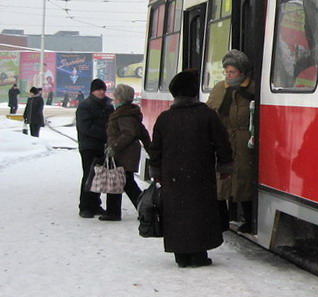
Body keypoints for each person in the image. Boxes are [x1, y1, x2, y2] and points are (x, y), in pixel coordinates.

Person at [148, 69, 233, 268]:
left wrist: (156, 171)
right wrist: (225, 165)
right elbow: (222, 142)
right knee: (199, 213)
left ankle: (181, 256)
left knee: (177, 214)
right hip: (200, 175)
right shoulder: (207, 115)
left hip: (173, 176)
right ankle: (198, 255)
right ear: (194, 93)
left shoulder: (165, 118)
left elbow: (155, 149)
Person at [206, 50, 257, 234]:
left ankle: (248, 219)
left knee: (243, 181)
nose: (228, 76)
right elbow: (210, 112)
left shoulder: (252, 90)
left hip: (244, 141)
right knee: (222, 181)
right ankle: (221, 220)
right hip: (224, 139)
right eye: (226, 72)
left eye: (232, 72)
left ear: (242, 73)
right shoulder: (220, 88)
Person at [102, 83, 150, 221]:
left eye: (116, 96)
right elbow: (142, 132)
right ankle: (113, 211)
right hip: (125, 153)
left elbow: (128, 133)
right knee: (118, 181)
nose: (114, 99)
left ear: (120, 99)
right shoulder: (130, 112)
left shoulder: (123, 114)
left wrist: (114, 146)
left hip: (123, 154)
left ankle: (144, 209)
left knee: (125, 182)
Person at [76, 78, 113, 218]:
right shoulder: (85, 105)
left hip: (103, 146)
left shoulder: (109, 105)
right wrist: (105, 134)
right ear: (93, 91)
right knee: (89, 175)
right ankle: (85, 206)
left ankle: (95, 204)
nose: (102, 92)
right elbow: (85, 127)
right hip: (89, 146)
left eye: (103, 89)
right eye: (99, 89)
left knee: (99, 176)